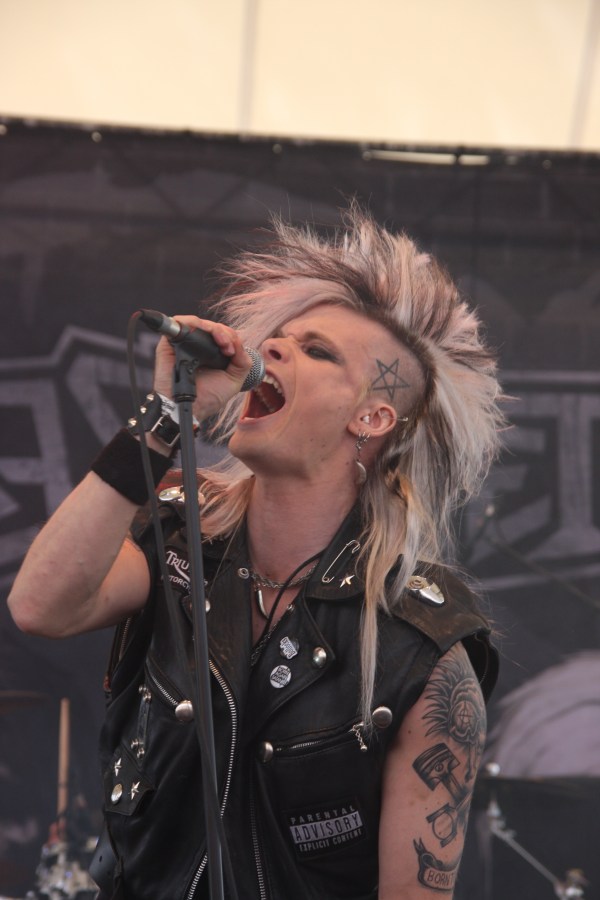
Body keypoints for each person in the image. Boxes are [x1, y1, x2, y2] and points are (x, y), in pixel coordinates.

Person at [8, 206, 503, 900]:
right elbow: (40, 605)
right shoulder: (181, 540)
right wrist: (163, 419)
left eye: (317, 351)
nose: (273, 349)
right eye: (280, 338)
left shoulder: (421, 653)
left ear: (371, 417)